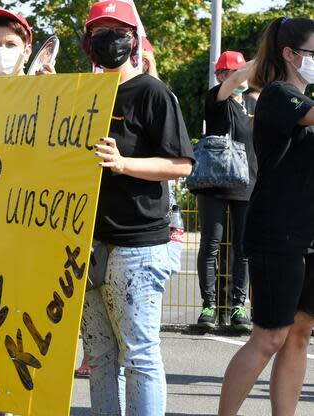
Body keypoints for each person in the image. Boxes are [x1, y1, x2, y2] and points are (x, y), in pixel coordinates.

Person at [78, 2, 194, 415]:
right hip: (88, 245)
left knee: (140, 356)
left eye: (117, 29)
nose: (108, 37)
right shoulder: (81, 94)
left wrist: (124, 164)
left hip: (137, 246)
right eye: (99, 29)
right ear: (88, 41)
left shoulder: (151, 92)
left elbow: (181, 164)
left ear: (133, 39)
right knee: (100, 357)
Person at [218, 17, 314, 416]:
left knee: (300, 333)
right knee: (270, 335)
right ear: (291, 55)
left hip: (308, 233)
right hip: (277, 232)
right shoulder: (278, 94)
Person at [195, 50, 257, 332]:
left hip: (247, 183)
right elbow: (231, 85)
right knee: (211, 243)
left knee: (244, 248)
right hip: (215, 182)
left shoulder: (253, 103)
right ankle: (209, 305)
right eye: (231, 73)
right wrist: (262, 58)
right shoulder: (216, 98)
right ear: (221, 76)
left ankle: (237, 307)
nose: (238, 78)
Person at [0, 7, 55, 77]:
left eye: (11, 44)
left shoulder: (40, 88)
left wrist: (53, 88)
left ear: (27, 52)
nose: (1, 51)